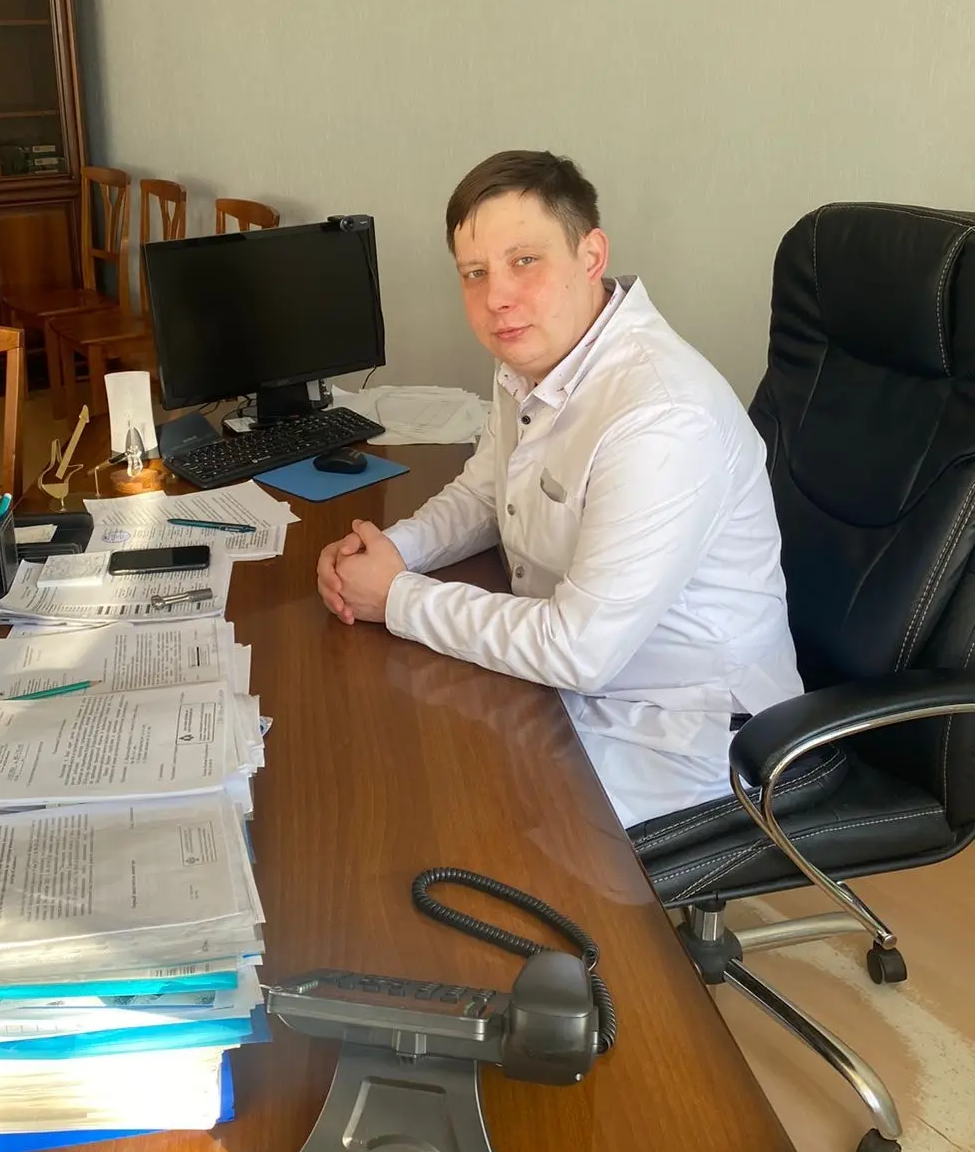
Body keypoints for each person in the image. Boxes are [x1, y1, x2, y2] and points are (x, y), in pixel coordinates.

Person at [316, 150, 803, 830]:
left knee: (458, 819)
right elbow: (486, 491)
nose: (497, 298)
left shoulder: (660, 417)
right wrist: (395, 552)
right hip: (583, 684)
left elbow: (579, 649)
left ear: (591, 256)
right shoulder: (537, 354)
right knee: (395, 744)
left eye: (525, 261)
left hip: (689, 729)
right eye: (475, 273)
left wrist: (395, 596)